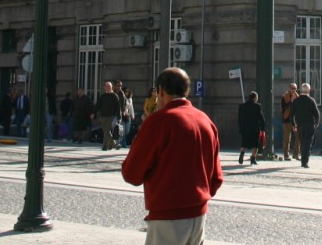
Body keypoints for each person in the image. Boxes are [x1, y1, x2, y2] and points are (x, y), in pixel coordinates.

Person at [121, 67, 223, 245]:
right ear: (187, 91)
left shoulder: (159, 121)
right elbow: (217, 177)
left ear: (160, 91)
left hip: (167, 214)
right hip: (199, 214)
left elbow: (132, 173)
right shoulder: (205, 120)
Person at [290, 82, 320, 168]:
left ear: (301, 90)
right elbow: (317, 114)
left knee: (303, 142)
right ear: (309, 91)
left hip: (300, 124)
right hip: (309, 124)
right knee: (308, 143)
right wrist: (316, 123)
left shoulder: (296, 101)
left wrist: (293, 124)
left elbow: (292, 114)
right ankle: (304, 162)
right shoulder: (311, 100)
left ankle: (303, 160)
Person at [237, 90, 266, 165]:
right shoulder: (257, 106)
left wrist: (240, 128)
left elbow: (239, 118)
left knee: (244, 143)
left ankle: (242, 154)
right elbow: (261, 118)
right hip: (254, 129)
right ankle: (253, 159)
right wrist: (263, 128)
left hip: (245, 128)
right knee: (255, 144)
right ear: (255, 98)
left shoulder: (242, 106)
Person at [96, 81, 123, 151]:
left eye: (109, 86)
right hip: (103, 116)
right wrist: (93, 113)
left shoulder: (115, 96)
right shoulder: (102, 96)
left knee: (107, 130)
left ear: (112, 87)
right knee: (106, 131)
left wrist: (119, 117)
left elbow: (118, 107)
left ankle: (105, 146)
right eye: (107, 86)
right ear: (104, 87)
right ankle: (112, 144)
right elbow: (97, 105)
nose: (108, 88)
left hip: (111, 116)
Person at [280, 83, 299, 160]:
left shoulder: (298, 97)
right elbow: (283, 108)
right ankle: (286, 154)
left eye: (295, 88)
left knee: (298, 136)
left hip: (296, 120)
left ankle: (296, 154)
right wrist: (290, 101)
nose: (293, 90)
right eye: (292, 88)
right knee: (287, 138)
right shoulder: (285, 97)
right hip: (287, 119)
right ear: (289, 88)